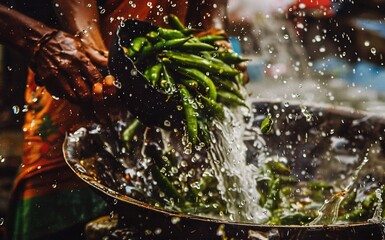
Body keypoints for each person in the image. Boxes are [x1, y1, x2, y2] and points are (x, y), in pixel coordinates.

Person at [0, 0, 228, 239]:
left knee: (179, 204)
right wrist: (87, 45)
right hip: (75, 85)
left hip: (168, 94)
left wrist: (214, 32)